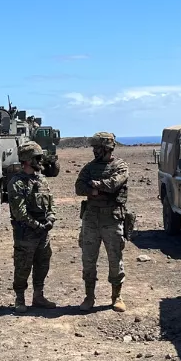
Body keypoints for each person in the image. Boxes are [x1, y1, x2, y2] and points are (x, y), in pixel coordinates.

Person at [75, 132, 129, 312]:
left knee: (115, 259)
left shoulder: (120, 165)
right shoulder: (89, 167)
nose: (94, 151)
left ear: (107, 148)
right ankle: (89, 297)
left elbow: (115, 184)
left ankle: (117, 296)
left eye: (97, 147)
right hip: (91, 218)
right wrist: (97, 191)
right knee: (88, 259)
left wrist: (96, 185)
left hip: (112, 218)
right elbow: (79, 187)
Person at [6, 141, 57, 313]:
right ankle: (20, 298)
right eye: (37, 157)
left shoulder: (41, 179)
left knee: (43, 264)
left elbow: (51, 203)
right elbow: (19, 212)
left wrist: (51, 218)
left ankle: (38, 296)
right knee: (22, 267)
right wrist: (37, 225)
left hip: (43, 233)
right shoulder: (16, 183)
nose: (40, 160)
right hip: (26, 234)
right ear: (27, 160)